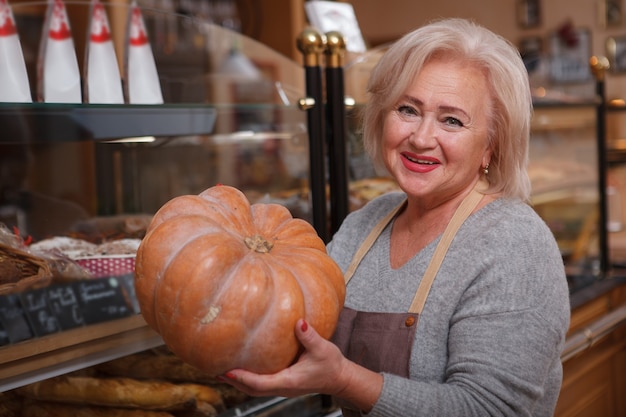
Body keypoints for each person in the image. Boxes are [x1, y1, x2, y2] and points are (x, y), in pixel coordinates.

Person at [218, 18, 571, 416]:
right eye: (407, 109)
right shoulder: (365, 224)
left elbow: (488, 409)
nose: (420, 138)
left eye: (451, 120)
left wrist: (344, 379)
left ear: (492, 145)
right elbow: (294, 325)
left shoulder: (514, 243)